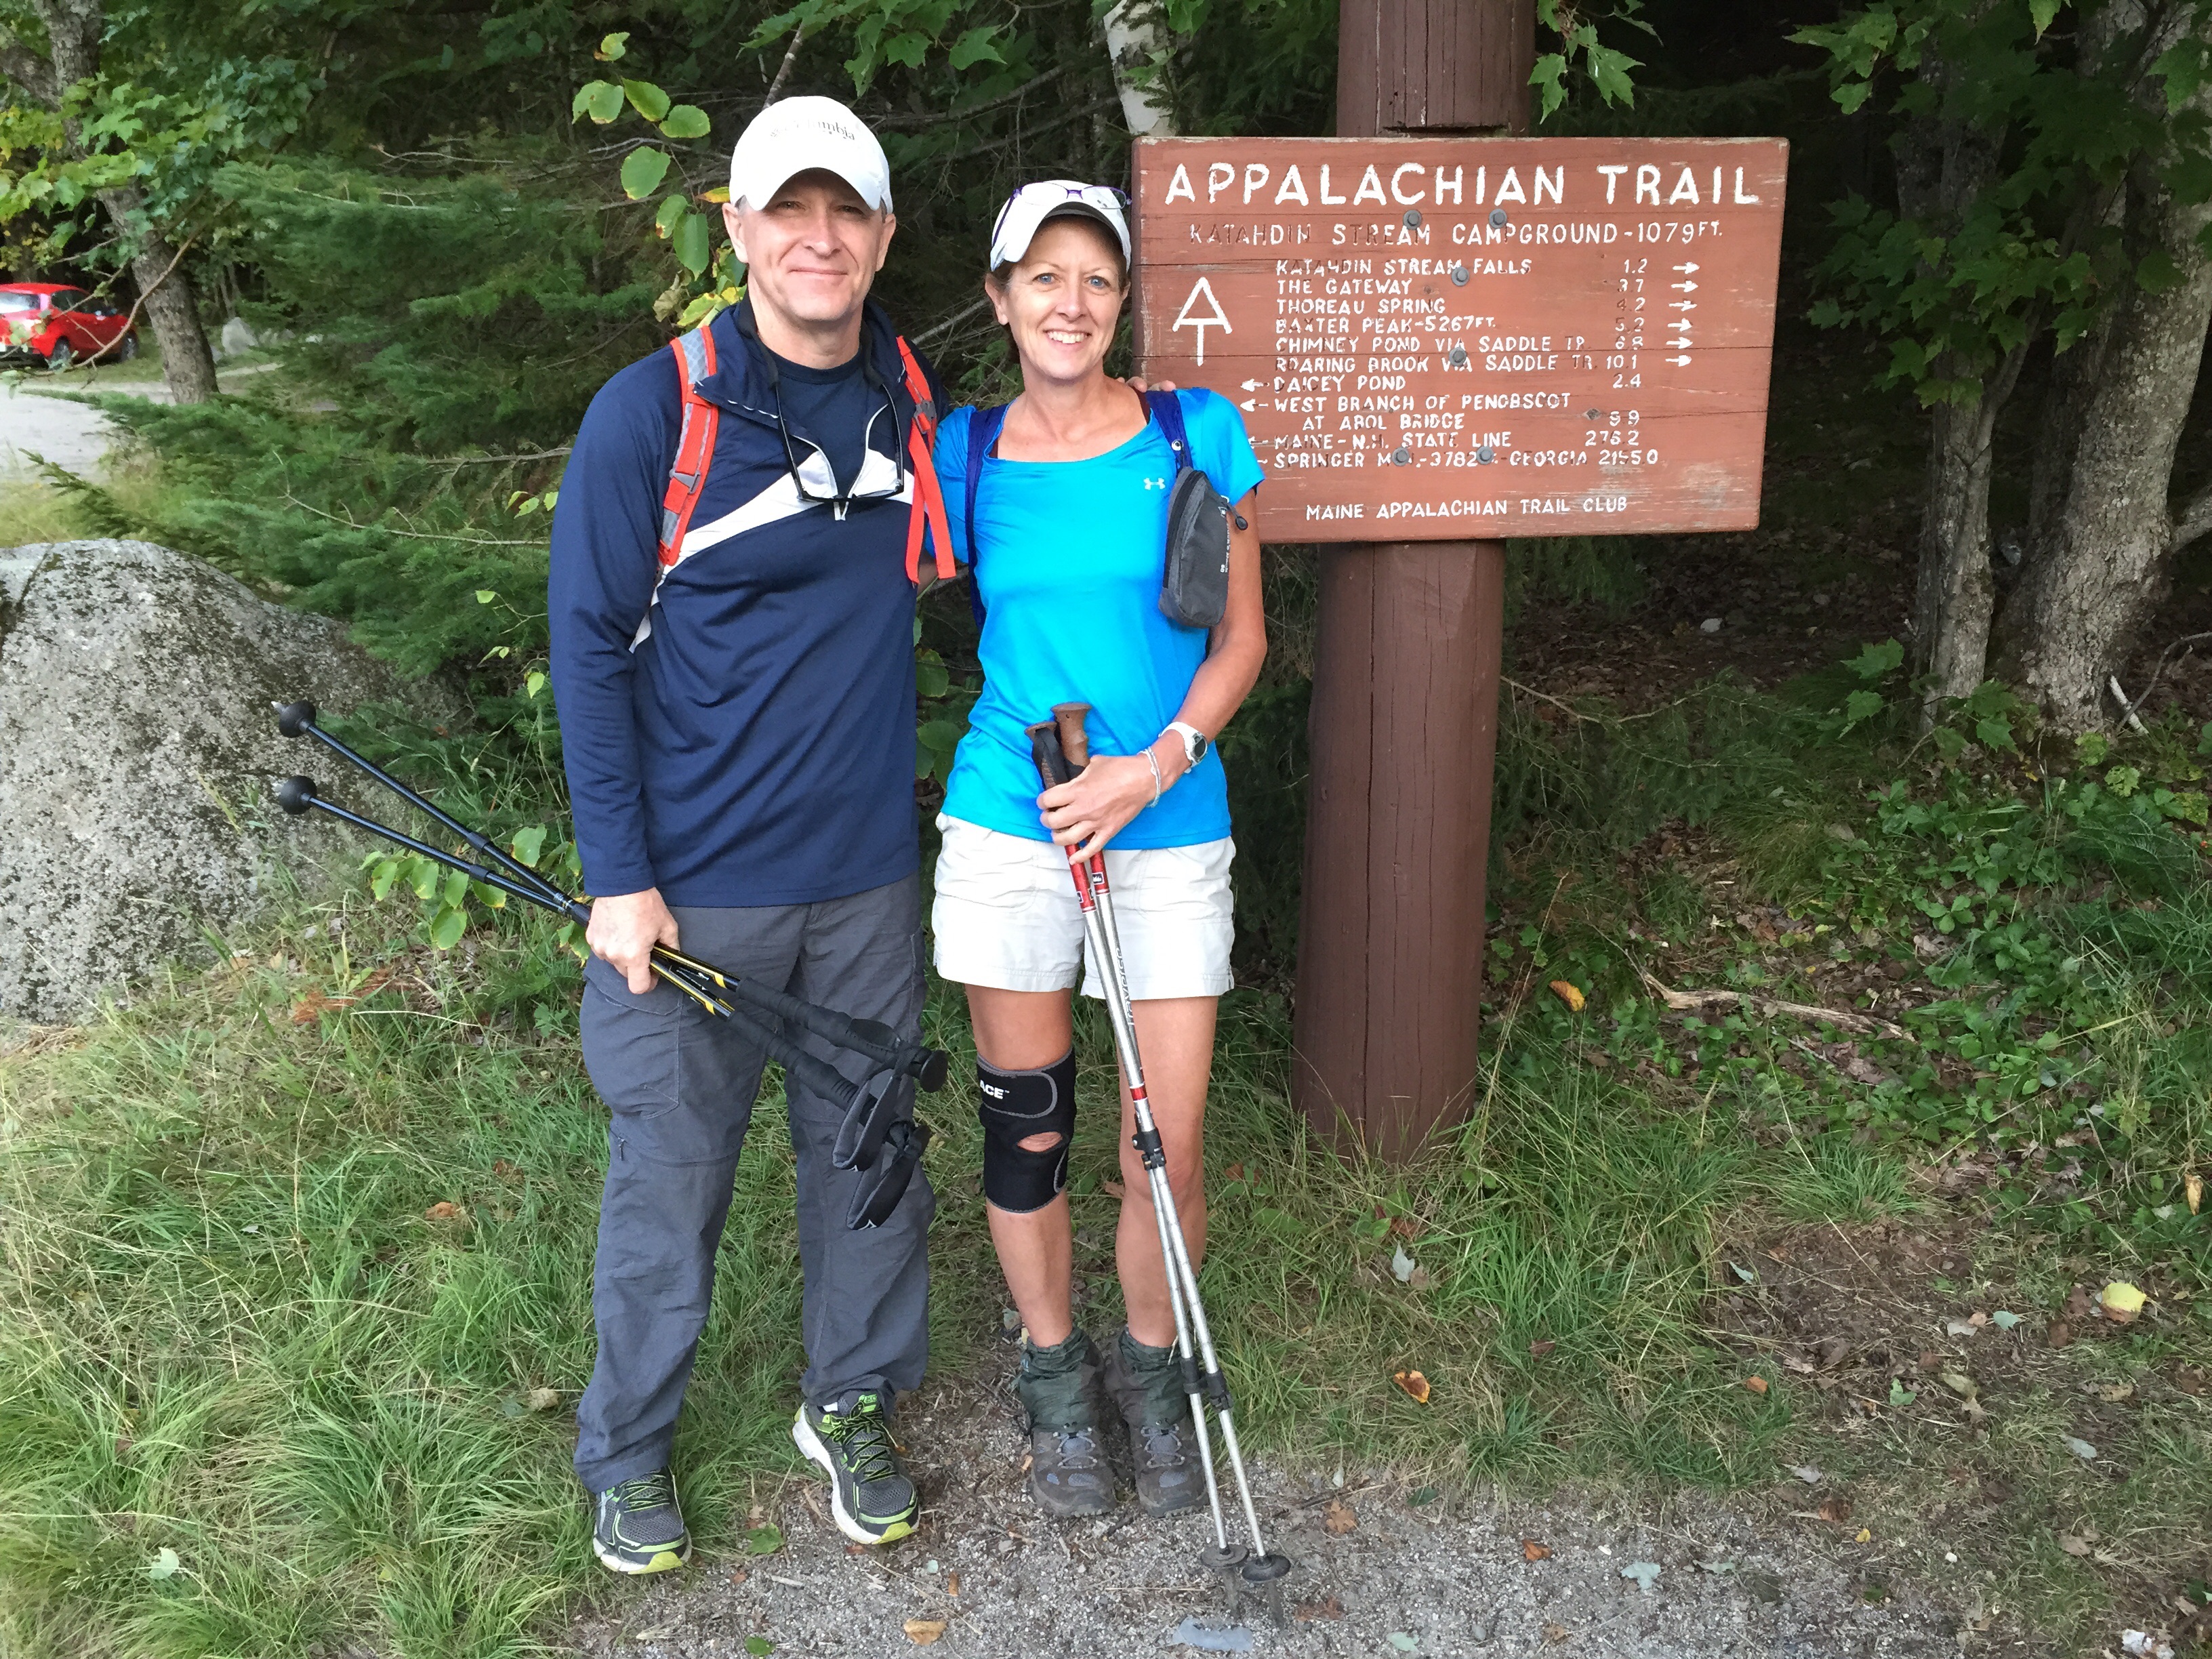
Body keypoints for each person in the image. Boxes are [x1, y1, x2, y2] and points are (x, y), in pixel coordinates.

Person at [548, 95, 954, 1574]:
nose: (818, 238)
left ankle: (852, 1401)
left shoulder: (910, 399)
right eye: (790, 210)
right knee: (672, 1177)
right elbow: (587, 649)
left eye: (846, 212)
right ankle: (628, 1451)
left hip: (865, 879)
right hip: (692, 891)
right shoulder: (653, 413)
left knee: (871, 1158)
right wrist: (619, 879)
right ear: (736, 229)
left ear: (883, 237)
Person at [927, 181, 1267, 1517]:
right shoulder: (963, 455)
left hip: (1164, 822)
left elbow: (1242, 640)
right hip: (1014, 821)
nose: (1070, 303)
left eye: (1097, 279)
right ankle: (1055, 1372)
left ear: (1122, 301)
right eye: (1044, 277)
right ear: (1001, 297)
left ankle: (1153, 1365)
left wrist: (1153, 763)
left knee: (1158, 1143)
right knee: (1029, 1132)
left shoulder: (1195, 432)